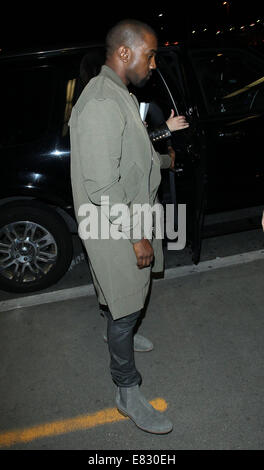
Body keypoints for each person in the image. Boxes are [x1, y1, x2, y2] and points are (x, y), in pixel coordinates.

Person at [69, 19, 176, 434]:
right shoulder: (100, 102)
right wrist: (136, 236)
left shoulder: (118, 93)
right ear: (126, 52)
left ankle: (120, 325)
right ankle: (126, 390)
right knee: (127, 304)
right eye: (150, 54)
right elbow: (102, 185)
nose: (154, 64)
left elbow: (130, 157)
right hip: (114, 223)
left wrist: (164, 161)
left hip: (121, 215)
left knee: (120, 297)